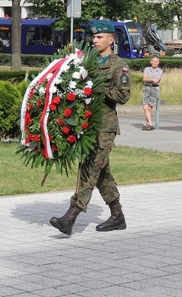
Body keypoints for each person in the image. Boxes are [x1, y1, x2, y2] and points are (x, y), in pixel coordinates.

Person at [50, 21, 131, 235]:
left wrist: (97, 88)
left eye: (99, 37)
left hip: (105, 127)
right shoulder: (89, 62)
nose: (94, 40)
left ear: (111, 40)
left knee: (90, 168)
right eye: (93, 37)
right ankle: (117, 216)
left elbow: (123, 96)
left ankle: (71, 216)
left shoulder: (118, 65)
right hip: (87, 125)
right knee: (101, 172)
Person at [142, 56, 163, 130]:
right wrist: (152, 79)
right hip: (147, 88)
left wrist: (149, 78)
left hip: (155, 88)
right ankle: (151, 123)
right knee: (145, 106)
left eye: (157, 61)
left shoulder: (160, 71)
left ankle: (145, 123)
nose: (155, 63)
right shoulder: (147, 69)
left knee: (150, 107)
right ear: (151, 62)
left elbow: (156, 81)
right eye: (154, 61)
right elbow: (144, 79)